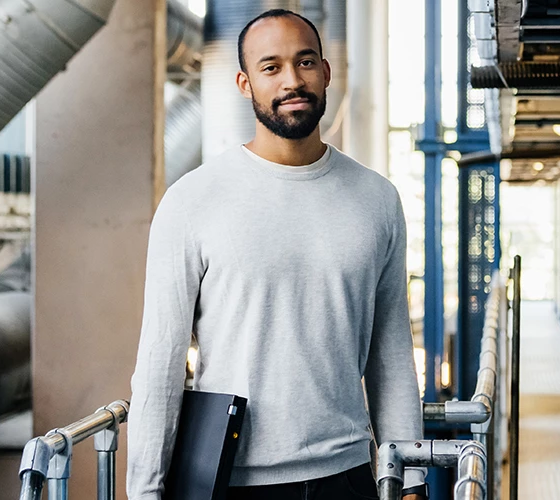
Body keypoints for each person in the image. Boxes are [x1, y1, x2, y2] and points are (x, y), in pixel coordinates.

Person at [126, 8, 427, 500]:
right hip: (229, 478)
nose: (292, 80)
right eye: (271, 67)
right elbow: (159, 363)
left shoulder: (377, 199)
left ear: (326, 72)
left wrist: (410, 475)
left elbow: (390, 353)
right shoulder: (192, 200)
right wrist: (144, 491)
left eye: (305, 62)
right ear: (245, 84)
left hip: (347, 476)